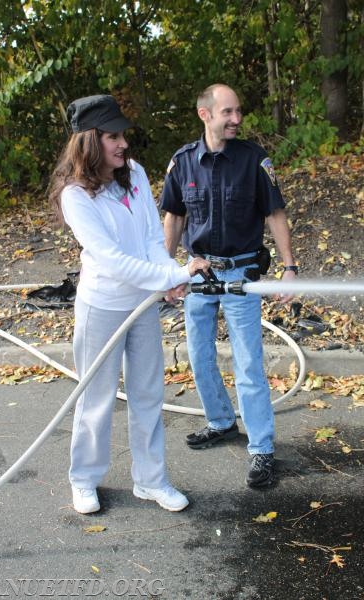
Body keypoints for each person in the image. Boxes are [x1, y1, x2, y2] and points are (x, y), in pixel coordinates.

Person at [49, 94, 211, 514]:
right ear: (89, 141)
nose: (123, 144)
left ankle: (151, 479)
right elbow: (112, 260)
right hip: (102, 305)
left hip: (141, 304)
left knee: (147, 394)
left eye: (122, 135)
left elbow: (150, 242)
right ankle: (84, 479)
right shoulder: (75, 196)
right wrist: (173, 276)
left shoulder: (134, 174)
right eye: (113, 136)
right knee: (96, 396)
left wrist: (168, 276)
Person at [160, 84, 297, 488]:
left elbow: (274, 214)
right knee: (199, 358)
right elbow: (173, 218)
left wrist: (290, 267)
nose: (236, 119)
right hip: (198, 276)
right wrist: (168, 272)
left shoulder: (254, 160)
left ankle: (262, 450)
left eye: (239, 112)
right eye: (228, 113)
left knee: (248, 365)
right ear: (206, 115)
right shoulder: (183, 163)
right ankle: (221, 422)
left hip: (240, 275)